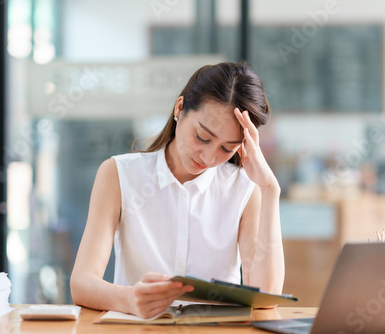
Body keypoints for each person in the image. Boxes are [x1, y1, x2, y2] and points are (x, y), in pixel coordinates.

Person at [70, 62, 285, 319]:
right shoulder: (118, 174)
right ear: (180, 108)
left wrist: (269, 189)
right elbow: (82, 283)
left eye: (227, 148)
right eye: (202, 137)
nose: (208, 156)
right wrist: (129, 299)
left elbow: (265, 296)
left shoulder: (244, 189)